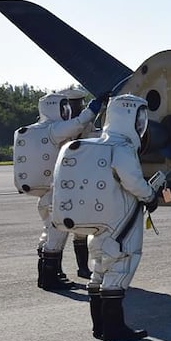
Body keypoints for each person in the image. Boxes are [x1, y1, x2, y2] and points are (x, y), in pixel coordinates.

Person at [51, 94, 158, 341]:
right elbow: (133, 182)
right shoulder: (122, 148)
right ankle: (114, 327)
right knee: (119, 270)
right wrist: (150, 195)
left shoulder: (96, 143)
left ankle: (99, 326)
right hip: (119, 226)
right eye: (140, 118)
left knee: (99, 273)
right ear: (132, 117)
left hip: (98, 228)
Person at [13, 91, 104, 291]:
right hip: (54, 193)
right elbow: (80, 123)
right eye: (65, 107)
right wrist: (96, 105)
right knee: (56, 235)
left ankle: (50, 274)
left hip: (43, 194)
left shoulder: (35, 129)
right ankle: (49, 278)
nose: (68, 110)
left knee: (48, 234)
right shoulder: (54, 130)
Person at [58, 87, 101, 279]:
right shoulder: (66, 124)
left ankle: (82, 268)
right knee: (59, 231)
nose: (78, 106)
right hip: (69, 179)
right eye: (76, 103)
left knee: (81, 228)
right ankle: (59, 268)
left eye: (80, 103)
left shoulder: (84, 123)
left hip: (84, 177)